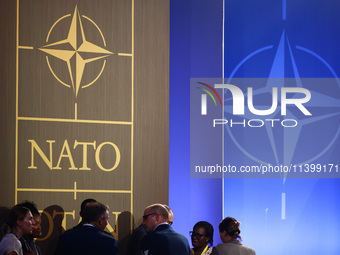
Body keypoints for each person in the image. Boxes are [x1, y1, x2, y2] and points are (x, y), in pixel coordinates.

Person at [54, 201, 118, 255]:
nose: (107, 223)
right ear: (100, 220)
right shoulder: (109, 242)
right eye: (106, 219)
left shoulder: (65, 238)